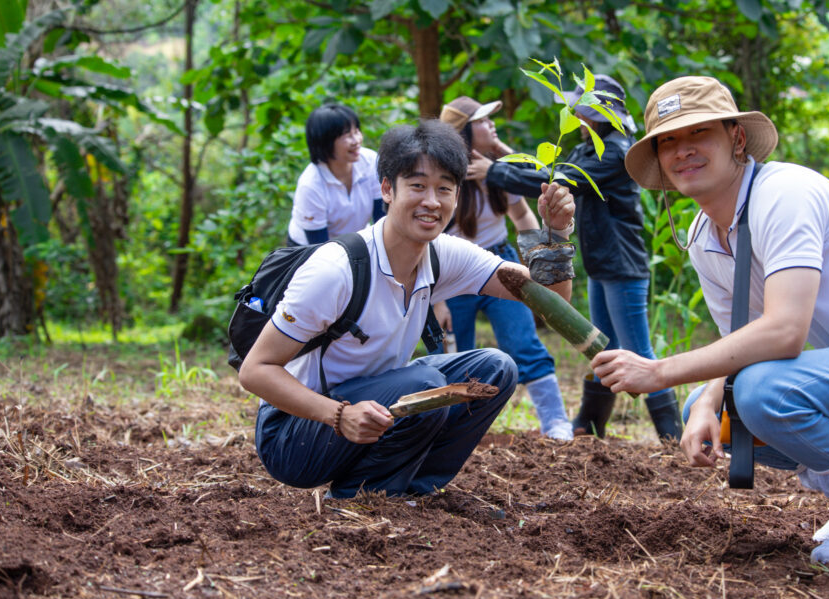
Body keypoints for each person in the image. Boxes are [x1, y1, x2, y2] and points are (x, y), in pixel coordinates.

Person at [591, 76, 829, 563]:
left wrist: (659, 371)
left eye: (698, 133)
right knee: (712, 410)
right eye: (667, 141)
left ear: (737, 138)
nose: (682, 150)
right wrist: (707, 402)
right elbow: (740, 345)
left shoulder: (783, 193)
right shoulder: (705, 235)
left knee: (760, 392)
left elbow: (784, 332)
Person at [239, 119, 577, 498]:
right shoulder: (336, 270)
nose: (431, 201)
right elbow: (255, 371)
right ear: (387, 189)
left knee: (495, 370)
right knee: (425, 387)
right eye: (417, 186)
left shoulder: (444, 254)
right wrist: (339, 414)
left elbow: (552, 300)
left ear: (456, 196)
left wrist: (556, 234)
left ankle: (412, 491)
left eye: (444, 188)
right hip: (294, 434)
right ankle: (360, 495)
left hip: (373, 403)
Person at [481, 75, 682, 441]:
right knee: (601, 346)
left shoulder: (616, 152)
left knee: (637, 349)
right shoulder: (587, 148)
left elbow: (561, 183)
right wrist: (500, 152)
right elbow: (547, 173)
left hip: (622, 265)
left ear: (597, 114)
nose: (577, 117)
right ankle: (589, 426)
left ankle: (672, 436)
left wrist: (493, 171)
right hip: (601, 263)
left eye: (582, 110)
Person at [435, 96, 574, 440]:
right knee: (454, 354)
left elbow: (524, 214)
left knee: (523, 341)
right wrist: (435, 300)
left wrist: (537, 264)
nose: (491, 124)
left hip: (499, 264)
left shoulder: (498, 169)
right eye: (482, 121)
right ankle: (453, 430)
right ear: (463, 132)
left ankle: (555, 421)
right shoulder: (443, 175)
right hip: (452, 271)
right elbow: (427, 239)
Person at [287, 103, 384, 246]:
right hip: (308, 247)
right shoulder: (311, 185)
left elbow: (382, 219)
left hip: (354, 241)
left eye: (356, 131)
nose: (357, 140)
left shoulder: (370, 162)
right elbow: (319, 246)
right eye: (348, 135)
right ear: (325, 142)